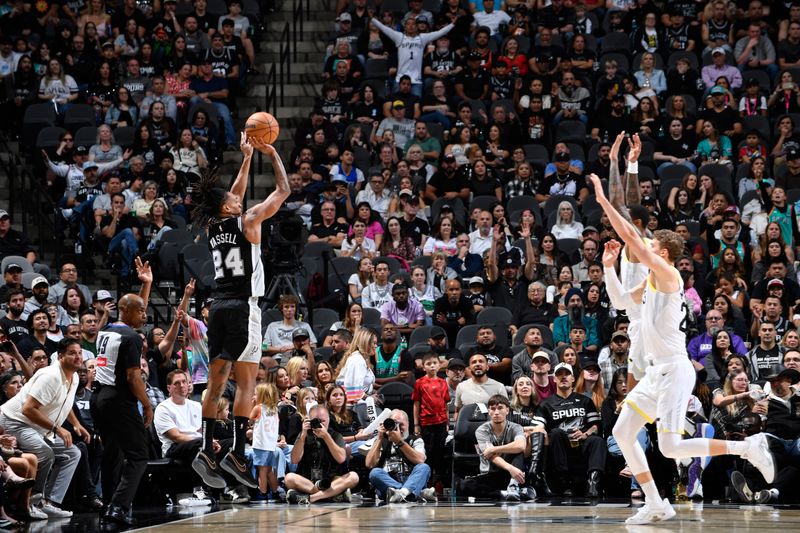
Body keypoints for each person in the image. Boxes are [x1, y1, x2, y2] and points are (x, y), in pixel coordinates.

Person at [588, 171, 777, 524]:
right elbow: (617, 300)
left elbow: (630, 233)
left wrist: (603, 201)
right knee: (622, 431)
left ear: (661, 252)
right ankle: (655, 502)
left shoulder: (669, 276)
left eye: (648, 248)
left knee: (670, 446)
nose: (641, 249)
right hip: (657, 372)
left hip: (675, 369)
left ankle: (748, 447)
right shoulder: (649, 283)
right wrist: (608, 267)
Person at [190, 132, 289, 491]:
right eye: (234, 198)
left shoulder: (214, 226)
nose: (238, 196)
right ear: (230, 206)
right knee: (248, 382)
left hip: (217, 307)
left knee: (216, 383)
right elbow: (283, 191)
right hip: (245, 308)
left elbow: (235, 192)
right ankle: (234, 450)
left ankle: (205, 451)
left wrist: (247, 158)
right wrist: (272, 154)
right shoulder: (248, 220)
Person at [0, 338, 88, 518]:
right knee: (45, 452)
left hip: (36, 427)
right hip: (14, 421)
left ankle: (49, 501)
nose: (78, 357)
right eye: (72, 353)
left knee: (73, 453)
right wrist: (58, 429)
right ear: (60, 356)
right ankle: (32, 502)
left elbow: (64, 402)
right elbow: (28, 409)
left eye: (79, 353)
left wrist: (76, 424)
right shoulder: (51, 376)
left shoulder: (75, 377)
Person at [459, 394, 531, 501]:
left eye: (500, 408)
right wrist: (510, 468)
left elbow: (520, 446)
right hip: (493, 473)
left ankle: (513, 486)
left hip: (514, 475)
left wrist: (494, 449)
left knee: (517, 450)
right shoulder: (481, 430)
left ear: (507, 410)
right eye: (493, 409)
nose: (496, 412)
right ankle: (504, 494)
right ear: (489, 411)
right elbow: (491, 457)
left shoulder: (516, 427)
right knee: (464, 485)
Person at [284, 404, 360, 504]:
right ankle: (334, 495)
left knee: (353, 477)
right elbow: (294, 459)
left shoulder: (335, 435)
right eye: (316, 421)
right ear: (309, 421)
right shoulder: (304, 435)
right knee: (289, 478)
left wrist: (326, 436)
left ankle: (312, 498)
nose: (320, 425)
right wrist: (302, 435)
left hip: (332, 481)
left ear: (329, 419)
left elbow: (341, 458)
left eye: (323, 421)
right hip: (309, 482)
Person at [366, 409, 434, 502]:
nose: (397, 428)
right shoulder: (382, 441)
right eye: (394, 424)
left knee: (424, 467)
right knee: (374, 473)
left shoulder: (415, 439)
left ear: (408, 424)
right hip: (388, 484)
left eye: (401, 424)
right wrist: (379, 438)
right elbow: (369, 464)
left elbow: (420, 460)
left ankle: (402, 493)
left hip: (411, 479)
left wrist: (399, 442)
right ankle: (413, 492)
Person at [412, 352, 449, 487]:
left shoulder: (443, 383)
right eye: (428, 364)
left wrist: (447, 423)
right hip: (426, 423)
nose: (432, 366)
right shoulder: (419, 383)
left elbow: (445, 403)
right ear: (423, 367)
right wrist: (416, 424)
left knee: (440, 451)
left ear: (439, 365)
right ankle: (427, 479)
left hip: (441, 422)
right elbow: (416, 403)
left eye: (434, 363)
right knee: (428, 450)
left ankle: (439, 480)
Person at [249, 383, 281, 500]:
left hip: (261, 444)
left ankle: (263, 492)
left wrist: (252, 405)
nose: (254, 396)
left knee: (262, 470)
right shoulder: (275, 409)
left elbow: (250, 421)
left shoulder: (258, 408)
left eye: (255, 394)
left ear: (261, 396)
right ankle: (275, 491)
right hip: (271, 444)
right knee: (269, 470)